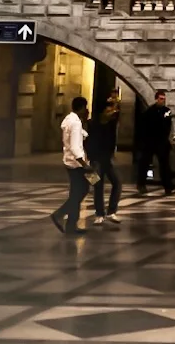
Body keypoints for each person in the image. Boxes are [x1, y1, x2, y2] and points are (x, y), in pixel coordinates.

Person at [51, 96, 91, 235]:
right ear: (80, 108)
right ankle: (60, 215)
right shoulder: (75, 123)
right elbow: (75, 146)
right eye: (85, 108)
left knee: (78, 191)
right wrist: (84, 164)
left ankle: (71, 224)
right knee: (82, 190)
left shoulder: (69, 120)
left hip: (69, 161)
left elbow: (79, 136)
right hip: (77, 164)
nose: (86, 110)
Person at [90, 88, 122, 226]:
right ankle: (99, 214)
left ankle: (111, 211)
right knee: (97, 185)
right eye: (108, 110)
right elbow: (89, 143)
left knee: (117, 183)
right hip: (96, 160)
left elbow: (117, 113)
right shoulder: (93, 124)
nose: (111, 113)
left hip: (106, 160)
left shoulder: (111, 124)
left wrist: (115, 102)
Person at [136, 90, 174, 196]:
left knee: (165, 165)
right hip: (150, 141)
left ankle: (168, 185)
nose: (163, 101)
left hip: (162, 141)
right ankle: (141, 184)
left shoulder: (167, 111)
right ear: (156, 99)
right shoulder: (149, 112)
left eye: (164, 99)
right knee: (144, 163)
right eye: (161, 99)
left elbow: (168, 126)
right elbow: (144, 127)